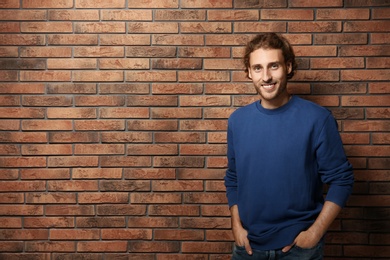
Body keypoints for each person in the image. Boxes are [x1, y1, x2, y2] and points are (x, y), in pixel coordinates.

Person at [224, 33, 354, 260]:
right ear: (248, 72)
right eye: (257, 68)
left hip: (299, 250)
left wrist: (314, 233)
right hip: (247, 248)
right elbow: (233, 177)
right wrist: (236, 224)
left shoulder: (317, 118)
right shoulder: (237, 120)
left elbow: (341, 179)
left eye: (273, 66)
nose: (266, 77)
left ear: (288, 66)